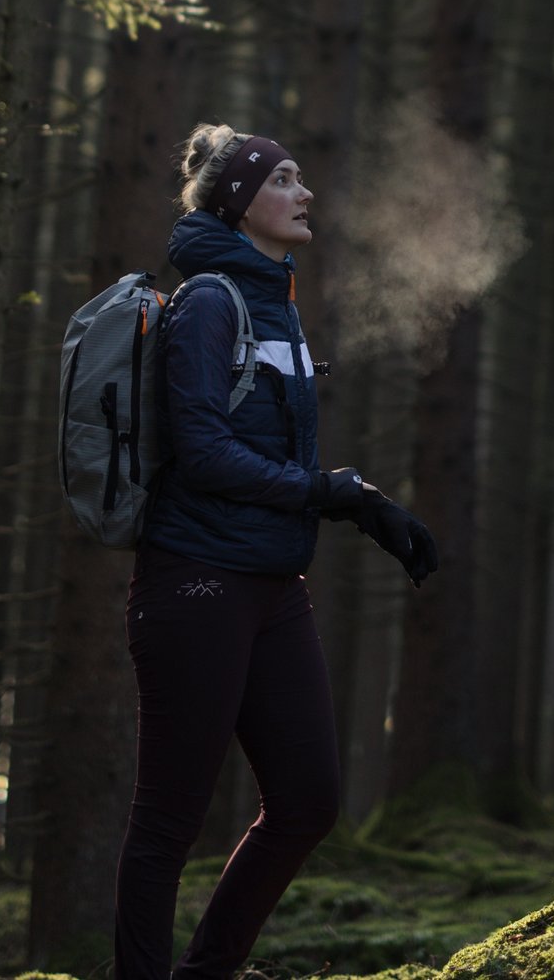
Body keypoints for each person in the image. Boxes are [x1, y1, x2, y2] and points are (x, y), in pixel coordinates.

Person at [114, 123, 438, 979]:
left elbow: (272, 459)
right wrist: (334, 491)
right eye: (285, 179)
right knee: (167, 821)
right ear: (236, 200)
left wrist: (358, 501)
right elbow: (205, 453)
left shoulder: (274, 304)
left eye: (300, 176)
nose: (305, 193)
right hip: (196, 583)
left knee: (306, 802)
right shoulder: (211, 301)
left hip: (269, 585)